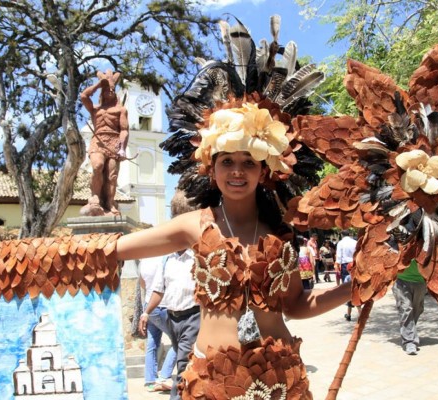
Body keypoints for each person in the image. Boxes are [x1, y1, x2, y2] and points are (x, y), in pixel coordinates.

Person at [115, 16, 351, 396]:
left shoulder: (279, 231)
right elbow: (113, 250)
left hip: (279, 380)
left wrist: (357, 288)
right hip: (212, 381)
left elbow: (296, 305)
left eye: (248, 162)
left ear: (266, 169)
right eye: (227, 161)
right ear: (211, 167)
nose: (237, 171)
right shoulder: (195, 225)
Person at [139, 190, 199, 399]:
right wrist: (146, 312)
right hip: (172, 319)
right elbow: (158, 290)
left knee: (182, 363)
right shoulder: (168, 259)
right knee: (188, 362)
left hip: (193, 316)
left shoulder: (199, 257)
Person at [80, 69, 129, 216]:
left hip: (114, 143)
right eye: (107, 89)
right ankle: (95, 196)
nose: (110, 91)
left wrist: (122, 148)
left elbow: (124, 130)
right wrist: (98, 85)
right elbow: (84, 96)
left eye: (113, 89)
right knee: (97, 166)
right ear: (103, 91)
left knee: (112, 176)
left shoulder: (121, 110)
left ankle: (109, 202)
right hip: (98, 141)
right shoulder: (95, 109)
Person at [138, 256, 177, 392]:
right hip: (162, 305)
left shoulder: (143, 261)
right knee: (178, 341)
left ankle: (150, 380)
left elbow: (142, 284)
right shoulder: (166, 258)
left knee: (152, 343)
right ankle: (164, 376)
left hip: (149, 305)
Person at [392, 259, 427, 355]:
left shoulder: (426, 244)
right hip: (401, 280)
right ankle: (409, 342)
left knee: (417, 309)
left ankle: (410, 331)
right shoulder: (397, 243)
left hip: (420, 281)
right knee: (406, 308)